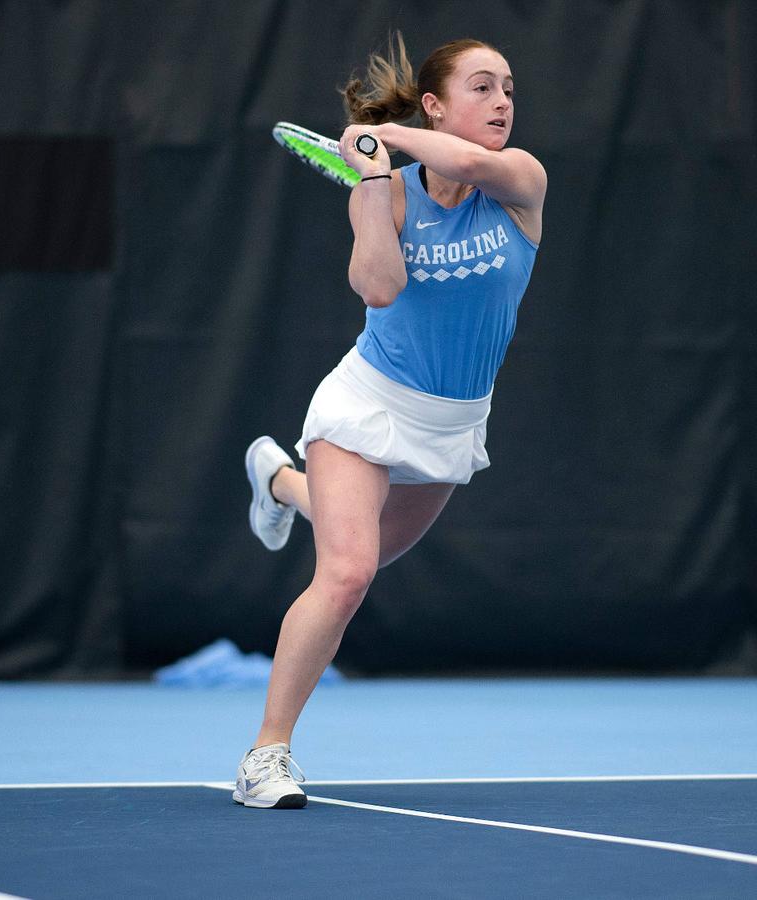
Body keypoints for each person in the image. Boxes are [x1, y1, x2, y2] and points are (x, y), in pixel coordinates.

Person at [232, 32, 547, 809]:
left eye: (507, 87)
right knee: (346, 573)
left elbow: (467, 164)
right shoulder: (389, 189)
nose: (502, 101)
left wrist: (385, 137)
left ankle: (276, 479)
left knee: (369, 550)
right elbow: (376, 288)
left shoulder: (519, 181)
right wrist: (374, 178)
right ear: (438, 104)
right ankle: (265, 757)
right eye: (481, 87)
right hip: (368, 401)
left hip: (452, 422)